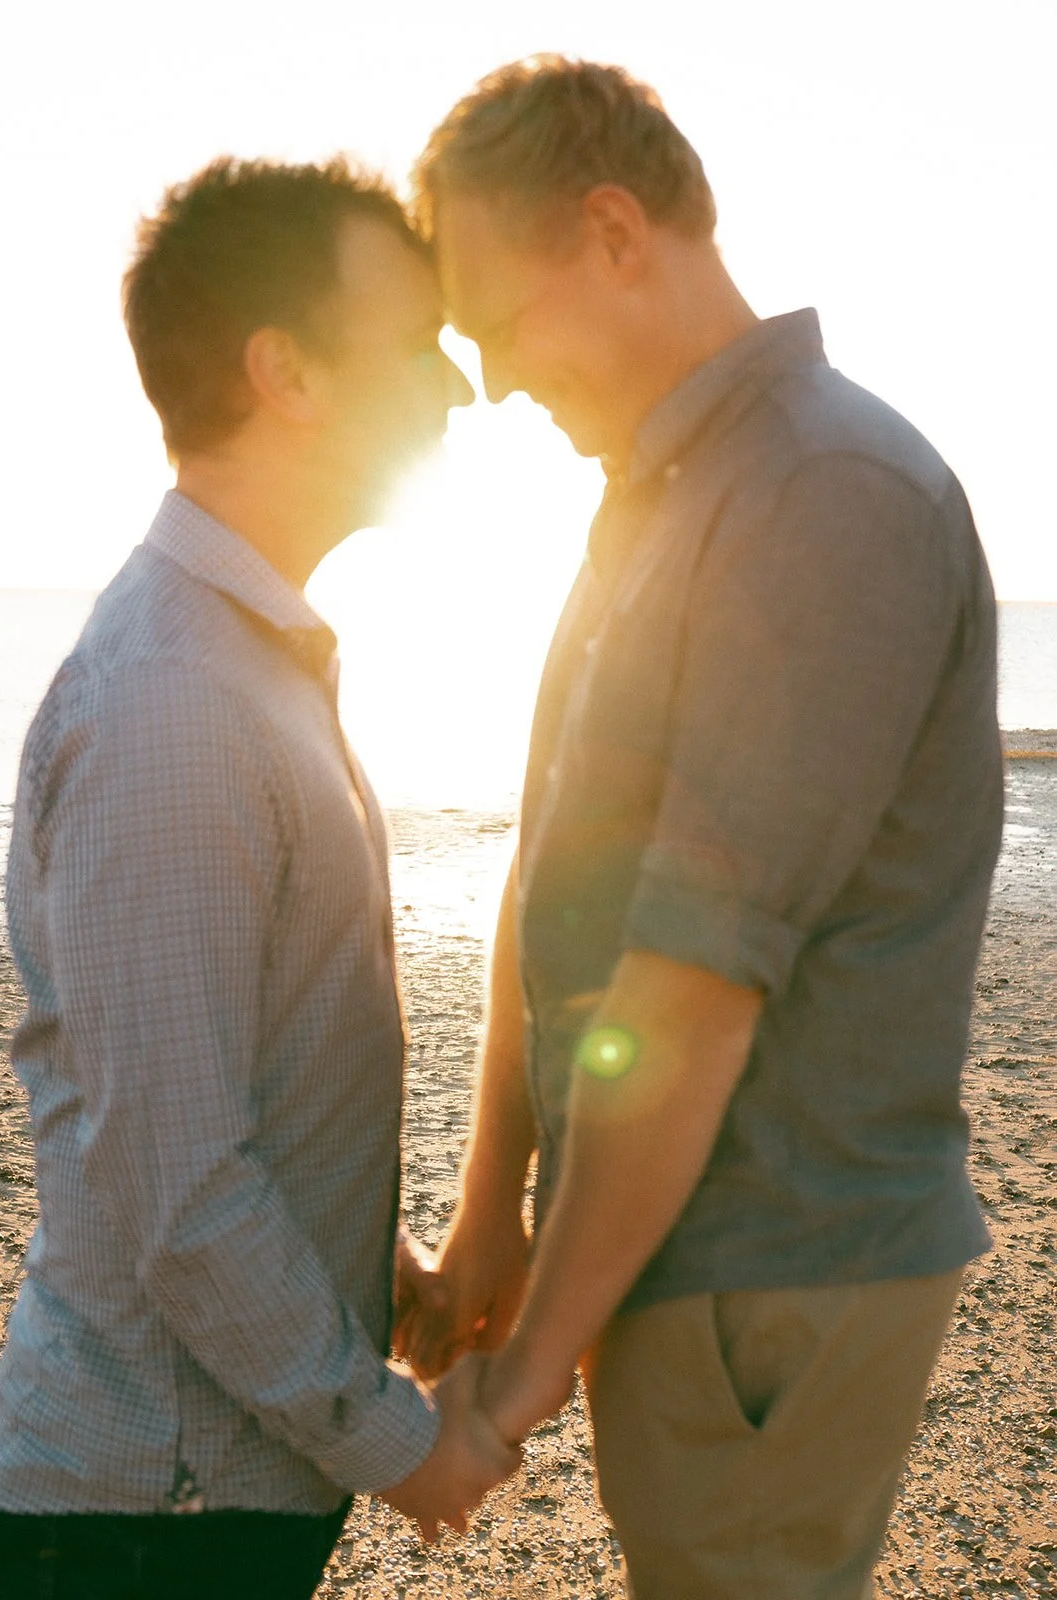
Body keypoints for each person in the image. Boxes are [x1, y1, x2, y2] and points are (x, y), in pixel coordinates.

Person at [400, 57, 1005, 1599]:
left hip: (777, 1264)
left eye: (494, 322)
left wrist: (526, 1369)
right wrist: (488, 1225)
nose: (489, 379)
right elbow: (553, 870)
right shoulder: (661, 490)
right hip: (670, 1249)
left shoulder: (821, 491)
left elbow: (691, 981)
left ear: (612, 231)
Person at [0, 156, 518, 1600]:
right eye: (413, 339)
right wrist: (394, 1440)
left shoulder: (240, 661)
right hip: (155, 1511)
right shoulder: (174, 705)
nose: (457, 386)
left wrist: (371, 1264)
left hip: (193, 1492)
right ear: (283, 370)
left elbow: (223, 1085)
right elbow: (179, 1184)